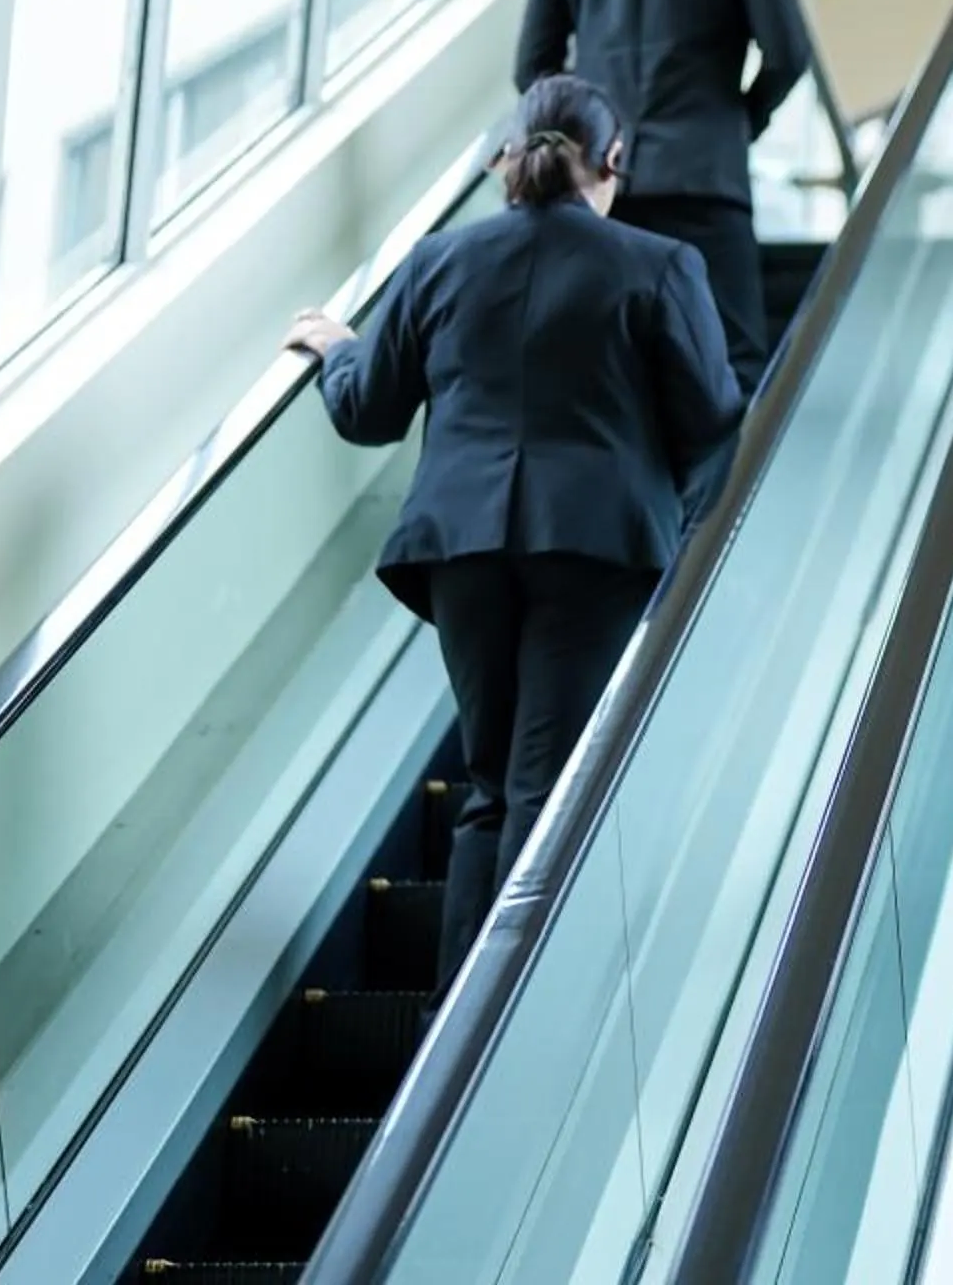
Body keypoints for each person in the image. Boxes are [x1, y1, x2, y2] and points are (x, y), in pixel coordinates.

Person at [283, 74, 742, 981]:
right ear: (615, 163)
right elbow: (715, 423)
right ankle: (505, 1031)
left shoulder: (439, 263)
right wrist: (675, 525)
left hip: (462, 551)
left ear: (506, 160)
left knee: (489, 788)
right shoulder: (658, 267)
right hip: (595, 550)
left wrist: (337, 349)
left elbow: (369, 410)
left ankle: (453, 1040)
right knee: (548, 785)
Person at [515, 0, 812, 397]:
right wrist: (737, 124)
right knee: (729, 366)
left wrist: (583, 142)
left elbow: (533, 69)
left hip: (597, 185)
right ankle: (719, 498)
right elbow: (789, 52)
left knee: (596, 360)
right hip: (707, 181)